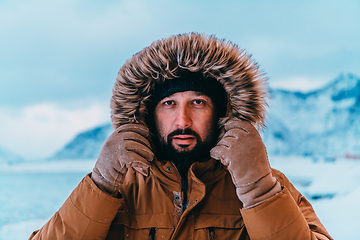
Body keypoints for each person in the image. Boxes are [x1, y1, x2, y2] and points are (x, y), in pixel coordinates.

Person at [29, 33, 332, 240]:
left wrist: (258, 190)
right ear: (149, 113)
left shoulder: (268, 185)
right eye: (169, 104)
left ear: (221, 112)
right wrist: (101, 183)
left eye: (198, 103)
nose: (182, 121)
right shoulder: (116, 188)